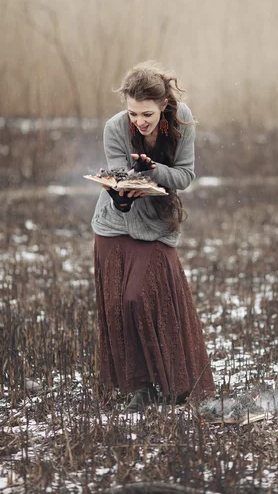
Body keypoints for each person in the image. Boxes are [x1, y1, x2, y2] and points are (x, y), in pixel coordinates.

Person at [91, 60, 214, 412]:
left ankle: (174, 381)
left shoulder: (181, 122)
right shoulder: (115, 128)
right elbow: (118, 177)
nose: (139, 121)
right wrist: (120, 197)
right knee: (119, 307)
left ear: (162, 105)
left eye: (146, 113)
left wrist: (154, 170)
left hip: (157, 223)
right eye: (132, 113)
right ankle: (140, 388)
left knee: (139, 297)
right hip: (113, 224)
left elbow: (185, 176)